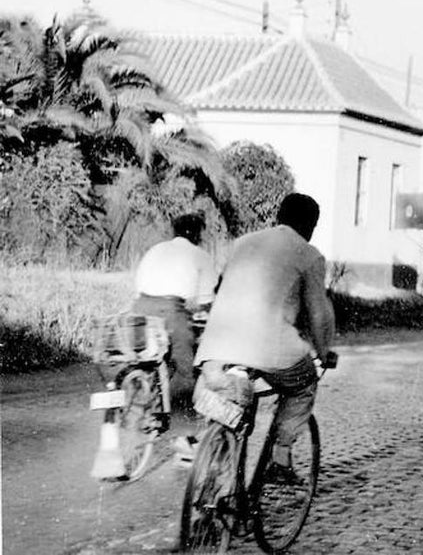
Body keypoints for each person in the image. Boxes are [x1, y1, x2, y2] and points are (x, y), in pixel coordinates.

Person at [194, 193, 335, 484]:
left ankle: (217, 476)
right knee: (305, 382)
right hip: (269, 349)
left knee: (229, 403)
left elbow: (219, 291)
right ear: (310, 226)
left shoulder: (242, 243)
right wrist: (322, 353)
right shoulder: (309, 254)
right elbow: (318, 314)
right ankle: (280, 459)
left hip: (216, 348)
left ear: (278, 216)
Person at [131, 213, 217, 405]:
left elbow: (137, 288)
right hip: (170, 311)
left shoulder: (155, 249)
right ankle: (169, 405)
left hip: (140, 309)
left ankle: (150, 395)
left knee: (143, 356)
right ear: (197, 235)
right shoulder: (200, 255)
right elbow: (206, 300)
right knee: (186, 368)